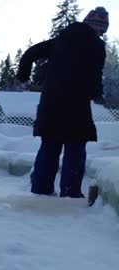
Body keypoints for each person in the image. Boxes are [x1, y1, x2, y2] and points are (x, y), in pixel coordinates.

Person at [16, 7, 109, 198]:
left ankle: (41, 191)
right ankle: (70, 193)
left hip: (51, 104)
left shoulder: (60, 40)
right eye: (102, 30)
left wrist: (23, 76)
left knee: (49, 146)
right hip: (77, 106)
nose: (101, 33)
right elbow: (95, 74)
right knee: (75, 149)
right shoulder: (97, 45)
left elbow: (29, 53)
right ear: (99, 28)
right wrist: (97, 94)